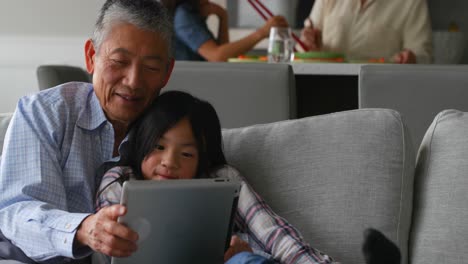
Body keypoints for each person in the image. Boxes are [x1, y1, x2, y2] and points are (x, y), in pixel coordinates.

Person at [0, 0, 175, 263]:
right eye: (119, 61)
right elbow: (16, 211)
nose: (133, 81)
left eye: (150, 68)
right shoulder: (44, 112)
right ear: (91, 57)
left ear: (167, 73)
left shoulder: (174, 129)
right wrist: (83, 229)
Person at [94, 90, 334, 264]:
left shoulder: (222, 178)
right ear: (140, 143)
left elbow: (272, 232)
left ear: (202, 158)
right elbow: (110, 249)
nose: (169, 162)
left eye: (187, 153)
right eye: (158, 147)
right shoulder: (119, 182)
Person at [300, 0, 432, 64]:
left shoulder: (412, 3)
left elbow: (423, 56)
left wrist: (413, 59)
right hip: (323, 87)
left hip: (379, 93)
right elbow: (303, 46)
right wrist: (308, 44)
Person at [160, 0, 289, 61]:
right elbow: (217, 56)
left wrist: (223, 16)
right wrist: (262, 33)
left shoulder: (191, 13)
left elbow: (224, 55)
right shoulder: (184, 16)